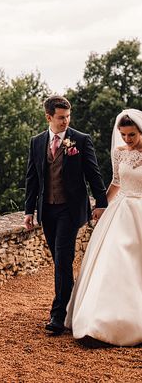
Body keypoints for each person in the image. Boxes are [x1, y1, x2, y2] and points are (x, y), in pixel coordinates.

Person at [24, 95, 108, 335]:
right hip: (47, 210)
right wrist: (29, 210)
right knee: (60, 261)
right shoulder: (37, 142)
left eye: (68, 117)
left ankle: (58, 315)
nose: (65, 121)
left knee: (62, 259)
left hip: (70, 210)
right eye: (61, 118)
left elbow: (94, 174)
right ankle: (71, 307)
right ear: (48, 117)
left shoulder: (80, 140)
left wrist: (101, 203)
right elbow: (32, 178)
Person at [65, 108, 142, 345]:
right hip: (120, 211)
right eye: (124, 135)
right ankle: (101, 320)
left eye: (132, 135)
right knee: (113, 259)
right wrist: (101, 204)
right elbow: (116, 182)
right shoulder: (120, 153)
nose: (127, 140)